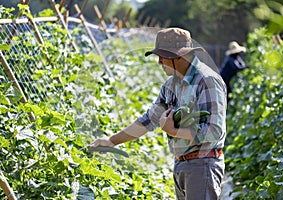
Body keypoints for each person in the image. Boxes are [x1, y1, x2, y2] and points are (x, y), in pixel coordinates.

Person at [90, 27, 227, 200]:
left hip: (203, 165)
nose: (159, 62)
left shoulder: (207, 81)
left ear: (178, 55)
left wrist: (174, 131)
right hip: (182, 164)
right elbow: (148, 121)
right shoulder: (171, 85)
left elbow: (214, 131)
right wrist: (111, 141)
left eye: (163, 56)